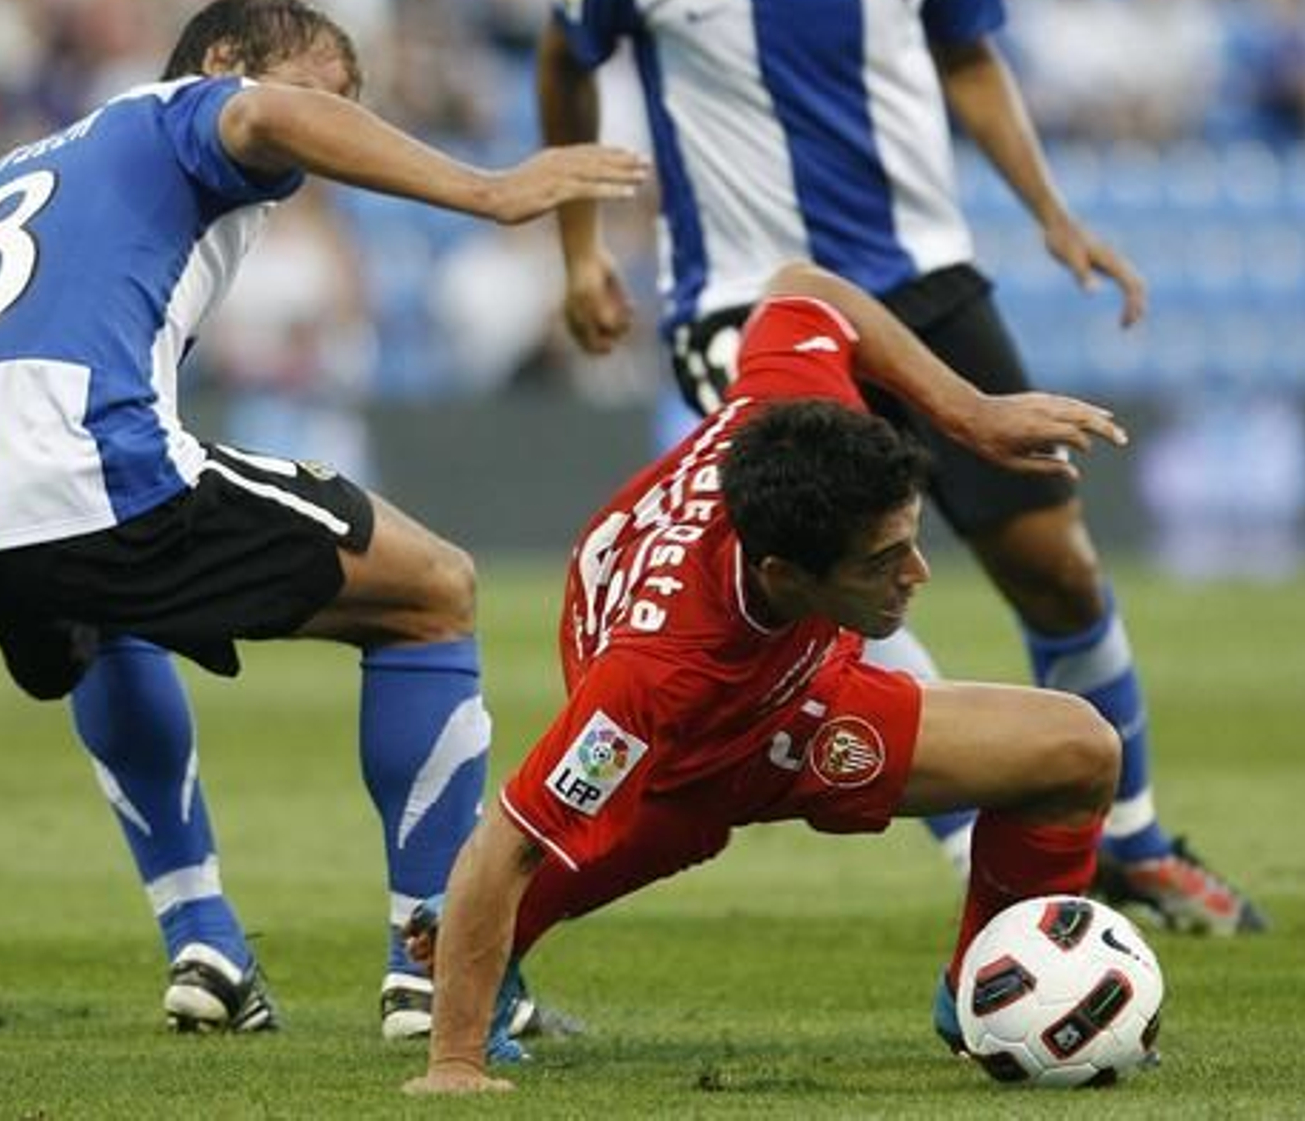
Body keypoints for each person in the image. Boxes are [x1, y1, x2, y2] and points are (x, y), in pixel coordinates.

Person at [0, 0, 649, 1038]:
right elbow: (264, 115)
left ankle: (205, 948)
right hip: (76, 465)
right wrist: (489, 190)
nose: (332, 139)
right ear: (226, 60)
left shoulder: (18, 177)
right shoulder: (184, 111)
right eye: (335, 100)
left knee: (103, 617)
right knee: (433, 590)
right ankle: (431, 961)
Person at [534, 0, 1262, 933]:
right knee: (842, 578)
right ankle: (989, 864)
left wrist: (1052, 213)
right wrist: (580, 249)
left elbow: (967, 56)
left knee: (1056, 566)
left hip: (921, 282)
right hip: (749, 306)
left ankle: (1132, 847)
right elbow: (566, 60)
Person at [403, 261, 1128, 1093]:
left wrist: (970, 413)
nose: (919, 573)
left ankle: (985, 992)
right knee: (589, 839)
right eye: (884, 561)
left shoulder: (798, 404)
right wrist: (452, 1066)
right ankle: (479, 963)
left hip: (802, 696)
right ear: (786, 576)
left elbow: (805, 288)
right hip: (684, 745)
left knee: (1079, 751)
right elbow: (509, 838)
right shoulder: (651, 680)